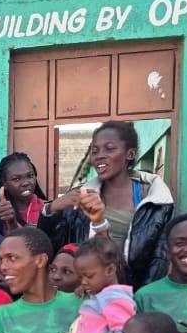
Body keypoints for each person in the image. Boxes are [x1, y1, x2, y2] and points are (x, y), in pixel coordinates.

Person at [36, 122, 176, 289]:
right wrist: (51, 209)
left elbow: (159, 260)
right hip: (84, 294)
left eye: (109, 149)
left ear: (130, 154)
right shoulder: (79, 198)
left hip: (134, 293)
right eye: (95, 151)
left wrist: (139, 298)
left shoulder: (155, 201)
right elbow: (49, 250)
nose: (99, 156)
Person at [67, 237, 137, 333]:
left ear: (110, 270)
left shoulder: (115, 299)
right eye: (80, 277)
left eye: (89, 276)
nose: (84, 282)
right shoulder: (103, 295)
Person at [0, 152, 42, 230]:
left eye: (30, 176)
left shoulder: (46, 210)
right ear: (4, 184)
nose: (25, 183)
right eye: (16, 179)